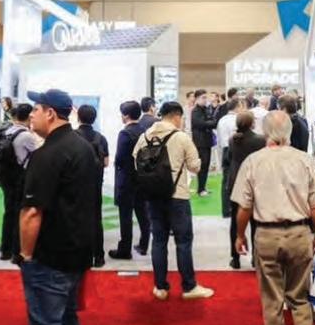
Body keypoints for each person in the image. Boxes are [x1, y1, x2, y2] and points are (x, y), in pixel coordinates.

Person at [231, 111, 315, 325]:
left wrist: (240, 236)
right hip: (299, 233)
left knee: (272, 301)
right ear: (290, 131)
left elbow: (244, 207)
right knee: (300, 298)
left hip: (266, 235)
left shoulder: (253, 161)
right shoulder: (304, 160)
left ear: (265, 132)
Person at [18, 89, 98, 325]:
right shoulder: (84, 148)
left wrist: (26, 255)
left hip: (50, 258)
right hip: (77, 253)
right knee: (67, 320)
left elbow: (32, 212)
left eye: (36, 109)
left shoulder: (47, 155)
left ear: (50, 113)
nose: (31, 114)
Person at [132, 101, 214, 300]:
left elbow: (136, 161)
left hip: (153, 196)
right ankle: (189, 287)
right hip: (177, 196)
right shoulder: (181, 137)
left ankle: (160, 287)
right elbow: (195, 166)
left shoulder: (144, 137)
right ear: (177, 116)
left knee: (158, 240)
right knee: (183, 241)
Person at [0, 104, 39, 262]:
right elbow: (38, 155)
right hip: (20, 178)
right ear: (29, 117)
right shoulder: (26, 136)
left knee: (9, 213)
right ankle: (17, 251)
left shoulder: (7, 131)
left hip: (6, 177)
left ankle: (5, 249)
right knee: (20, 214)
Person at [111, 101, 150, 259]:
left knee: (125, 216)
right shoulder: (144, 131)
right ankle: (144, 244)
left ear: (126, 115)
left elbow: (120, 158)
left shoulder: (125, 133)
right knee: (143, 213)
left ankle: (125, 249)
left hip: (127, 179)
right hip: (143, 178)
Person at [227, 110, 266, 269]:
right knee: (256, 222)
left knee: (235, 222)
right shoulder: (261, 140)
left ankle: (235, 258)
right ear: (252, 123)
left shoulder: (233, 140)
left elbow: (228, 159)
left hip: (236, 182)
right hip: (255, 183)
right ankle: (256, 258)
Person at [74, 104, 109, 268]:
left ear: (78, 117)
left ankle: (81, 256)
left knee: (76, 219)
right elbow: (106, 162)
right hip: (95, 185)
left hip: (76, 186)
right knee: (96, 219)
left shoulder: (73, 137)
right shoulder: (101, 138)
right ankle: (99, 257)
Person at [218, 98, 248, 218]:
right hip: (235, 150)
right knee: (238, 180)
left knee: (226, 180)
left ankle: (226, 210)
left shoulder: (222, 120)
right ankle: (236, 209)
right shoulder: (236, 120)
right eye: (242, 106)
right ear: (237, 107)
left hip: (225, 150)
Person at [190, 89, 217, 196]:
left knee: (206, 165)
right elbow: (201, 124)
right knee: (202, 165)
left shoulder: (206, 109)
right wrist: (210, 122)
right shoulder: (195, 111)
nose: (205, 100)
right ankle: (200, 189)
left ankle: (203, 187)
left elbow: (212, 121)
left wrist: (210, 122)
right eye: (203, 98)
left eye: (206, 97)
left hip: (207, 141)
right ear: (197, 99)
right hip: (200, 143)